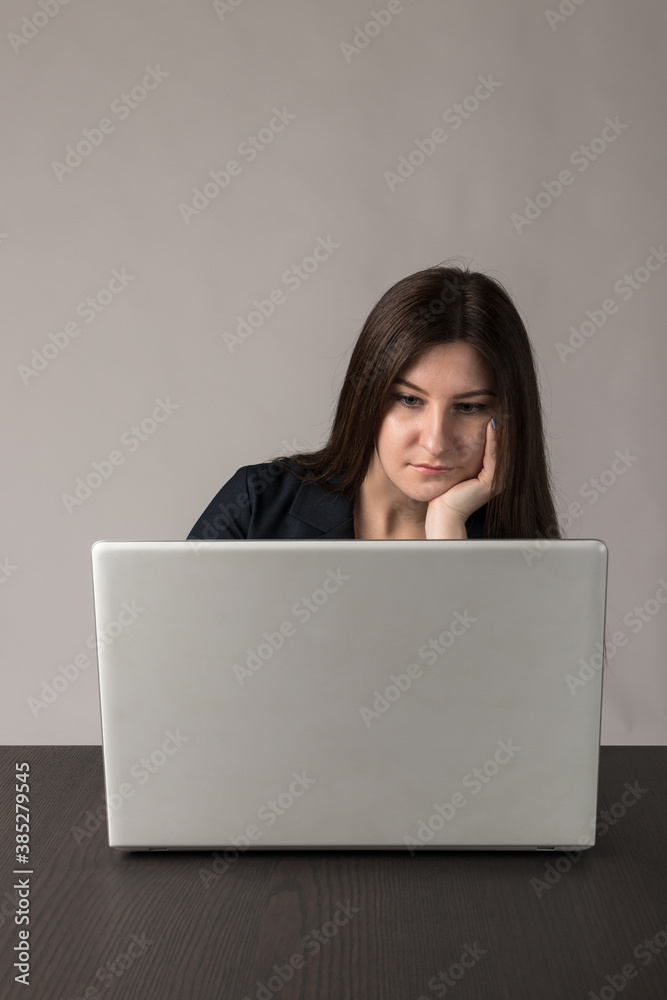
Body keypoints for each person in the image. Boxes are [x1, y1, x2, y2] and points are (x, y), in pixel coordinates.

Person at [187, 262, 562, 541]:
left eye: (468, 408)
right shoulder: (258, 506)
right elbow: (169, 643)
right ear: (367, 397)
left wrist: (448, 528)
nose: (435, 442)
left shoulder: (529, 554)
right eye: (409, 400)